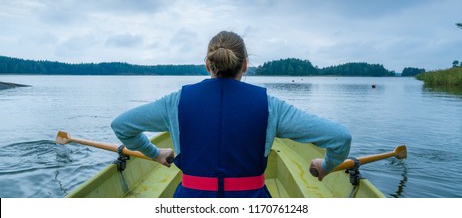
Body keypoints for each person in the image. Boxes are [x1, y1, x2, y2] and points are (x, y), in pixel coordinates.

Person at [111, 30, 351, 198]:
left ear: (207, 64)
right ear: (245, 65)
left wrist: (154, 153)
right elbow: (340, 138)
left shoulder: (175, 102)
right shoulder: (270, 106)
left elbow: (122, 126)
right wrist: (325, 165)